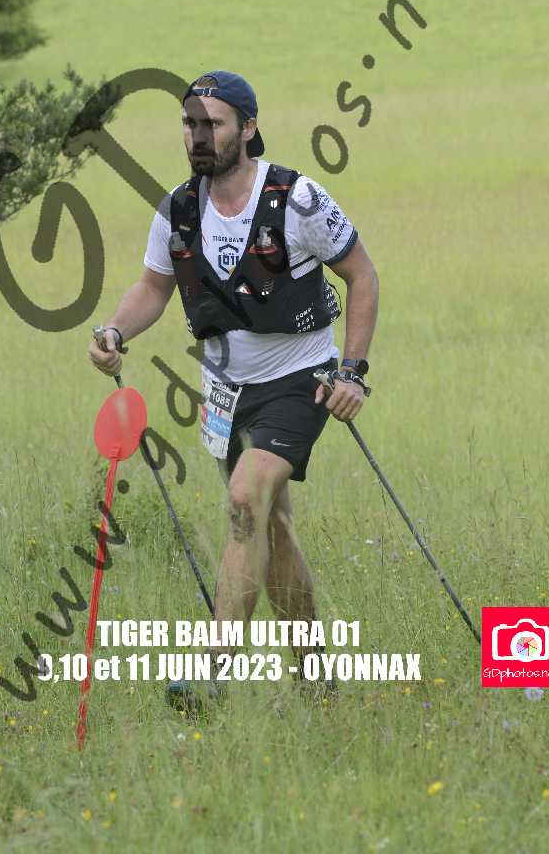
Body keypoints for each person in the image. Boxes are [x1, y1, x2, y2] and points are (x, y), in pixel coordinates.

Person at [88, 70, 379, 704]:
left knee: (245, 500)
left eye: (212, 124)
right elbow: (154, 288)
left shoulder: (297, 198)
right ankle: (315, 675)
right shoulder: (177, 209)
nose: (198, 135)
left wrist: (352, 372)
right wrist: (113, 331)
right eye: (190, 124)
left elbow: (362, 275)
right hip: (224, 392)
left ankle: (212, 674)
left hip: (300, 379)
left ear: (247, 128)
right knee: (271, 529)